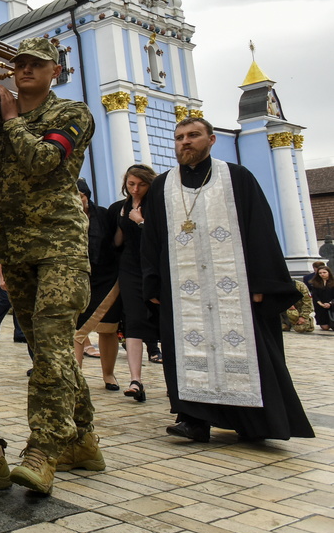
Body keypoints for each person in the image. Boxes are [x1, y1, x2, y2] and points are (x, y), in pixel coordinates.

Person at [0, 37, 102, 496]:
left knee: (54, 342)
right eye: (18, 64)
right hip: (14, 248)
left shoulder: (72, 115)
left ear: (54, 72)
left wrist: (11, 120)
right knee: (44, 348)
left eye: (35, 65)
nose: (24, 70)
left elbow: (44, 160)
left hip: (59, 244)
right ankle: (82, 439)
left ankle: (44, 449)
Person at [142, 117, 314, 443]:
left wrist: (262, 283)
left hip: (236, 290)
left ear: (211, 140)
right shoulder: (163, 186)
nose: (186, 142)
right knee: (188, 354)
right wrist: (152, 285)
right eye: (180, 137)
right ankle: (193, 420)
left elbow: (260, 229)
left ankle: (254, 423)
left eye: (193, 135)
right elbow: (151, 241)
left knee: (247, 354)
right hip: (184, 294)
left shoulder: (236, 178)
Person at [112, 164, 159, 402]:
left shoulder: (157, 206)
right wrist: (121, 223)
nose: (136, 189)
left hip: (154, 267)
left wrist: (140, 221)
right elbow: (118, 242)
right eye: (131, 184)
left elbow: (159, 237)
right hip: (130, 267)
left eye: (141, 184)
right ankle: (135, 379)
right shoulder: (122, 207)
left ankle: (174, 381)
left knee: (161, 319)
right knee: (133, 320)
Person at [75, 179, 122, 390]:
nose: (78, 201)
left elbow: (117, 242)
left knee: (108, 329)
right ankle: (75, 376)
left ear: (87, 196)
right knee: (76, 330)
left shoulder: (103, 215)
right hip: (77, 278)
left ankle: (109, 375)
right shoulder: (65, 217)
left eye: (81, 196)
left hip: (106, 278)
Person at [309, 265, 334, 331]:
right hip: (320, 305)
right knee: (325, 327)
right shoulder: (315, 283)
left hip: (332, 304)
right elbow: (315, 295)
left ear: (328, 272)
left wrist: (330, 303)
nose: (322, 274)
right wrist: (321, 304)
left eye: (324, 272)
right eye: (320, 273)